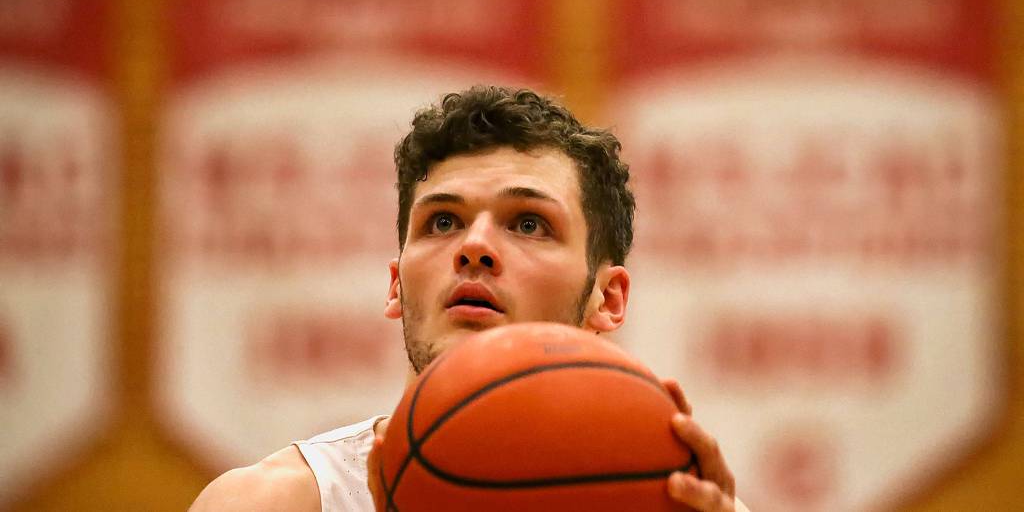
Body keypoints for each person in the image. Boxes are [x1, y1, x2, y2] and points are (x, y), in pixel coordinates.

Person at [190, 85, 750, 512]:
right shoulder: (275, 502)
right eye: (442, 221)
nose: (474, 246)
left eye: (528, 223)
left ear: (608, 297)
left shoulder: (671, 506)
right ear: (397, 285)